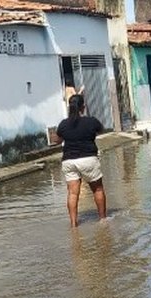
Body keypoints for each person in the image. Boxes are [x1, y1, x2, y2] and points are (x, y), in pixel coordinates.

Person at [54, 94, 107, 228]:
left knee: (72, 193)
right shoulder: (91, 121)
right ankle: (102, 220)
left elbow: (57, 140)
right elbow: (101, 130)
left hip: (69, 161)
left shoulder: (63, 124)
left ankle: (73, 224)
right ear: (83, 107)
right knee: (97, 189)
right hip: (88, 159)